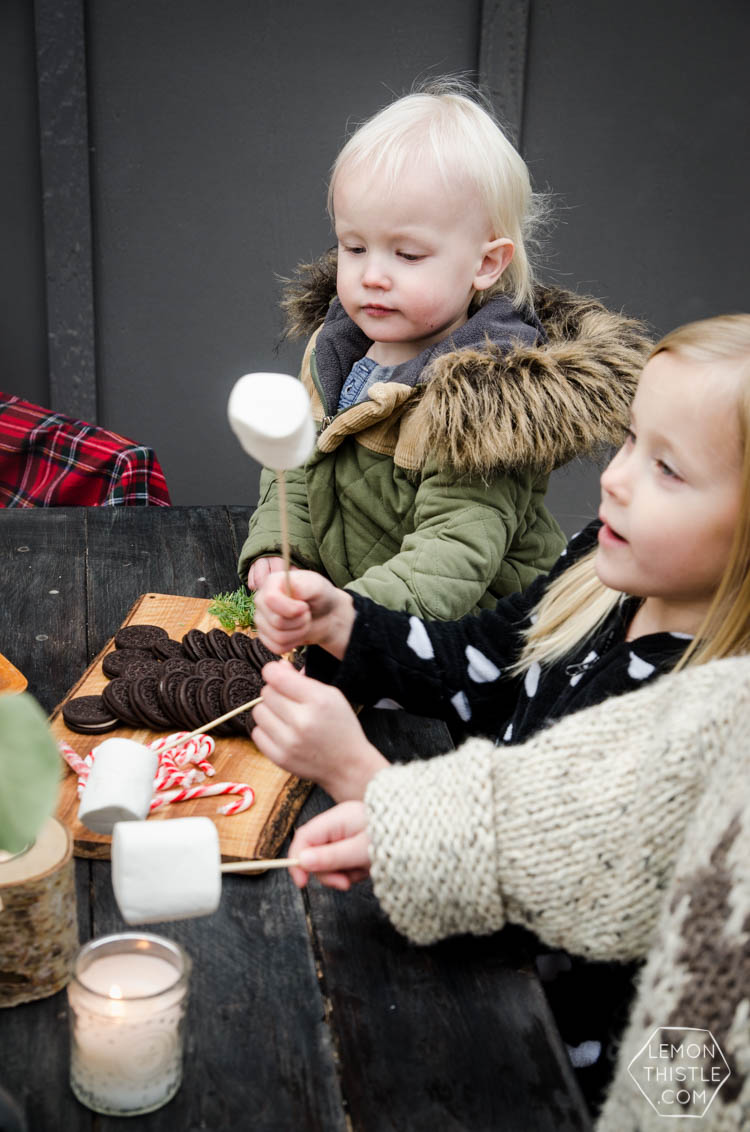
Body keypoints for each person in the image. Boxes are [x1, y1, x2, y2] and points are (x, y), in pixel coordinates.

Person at [250, 311, 750, 1112]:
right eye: (628, 442)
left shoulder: (703, 717)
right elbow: (480, 665)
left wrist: (363, 779)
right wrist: (344, 622)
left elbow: (536, 908)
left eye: (669, 470)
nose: (616, 478)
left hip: (562, 1055)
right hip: (482, 979)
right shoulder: (599, 570)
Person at [238, 79, 649, 619]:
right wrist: (280, 547)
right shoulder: (335, 347)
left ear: (485, 264)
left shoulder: (486, 403)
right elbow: (294, 464)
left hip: (475, 645)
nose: (372, 276)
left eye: (407, 255)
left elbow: (450, 559)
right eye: (354, 247)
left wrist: (346, 623)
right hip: (365, 613)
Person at [282, 657, 750, 1130]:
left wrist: (369, 781)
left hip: (660, 1049)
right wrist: (415, 821)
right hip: (673, 1045)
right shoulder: (728, 702)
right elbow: (601, 813)